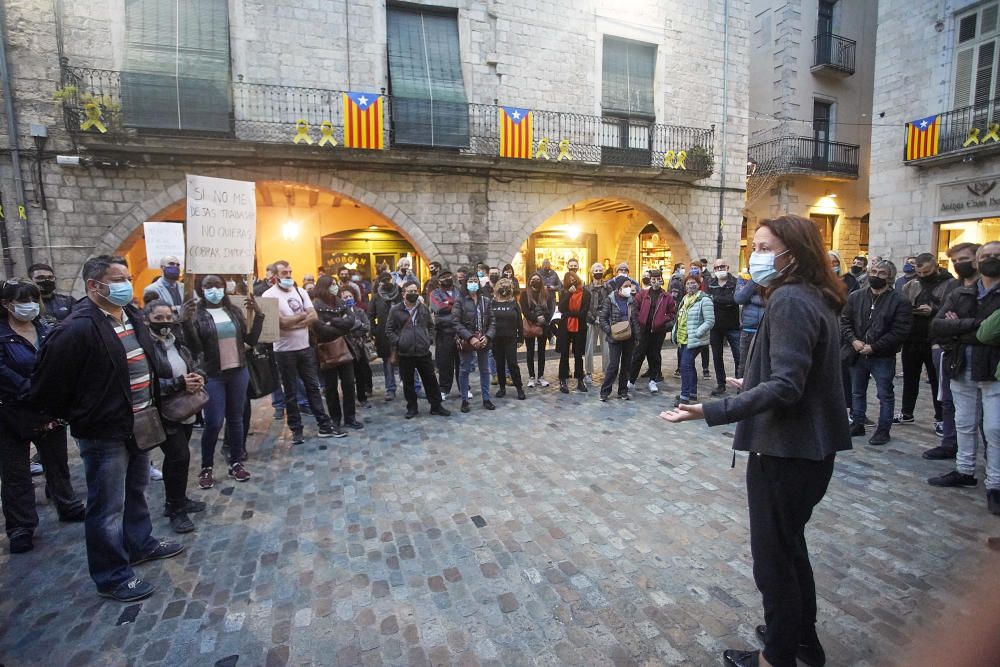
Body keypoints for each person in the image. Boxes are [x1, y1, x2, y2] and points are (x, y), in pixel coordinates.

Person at [661, 214, 852, 667]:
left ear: (794, 253)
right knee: (790, 548)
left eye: (765, 247)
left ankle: (777, 655)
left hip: (787, 452)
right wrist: (756, 378)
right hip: (808, 451)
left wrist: (712, 409)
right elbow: (795, 372)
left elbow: (788, 385)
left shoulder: (790, 299)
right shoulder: (812, 295)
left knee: (774, 562)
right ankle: (800, 639)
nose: (756, 256)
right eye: (756, 246)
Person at [30, 255, 183, 602]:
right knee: (107, 506)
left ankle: (139, 543)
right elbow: (48, 385)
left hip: (140, 422)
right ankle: (112, 575)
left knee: (137, 489)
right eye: (118, 279)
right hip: (104, 431)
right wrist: (83, 413)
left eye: (127, 278)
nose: (126, 284)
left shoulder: (131, 316)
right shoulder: (77, 328)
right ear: (94, 286)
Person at [0, 279, 85, 554]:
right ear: (6, 305)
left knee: (57, 463)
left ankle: (67, 504)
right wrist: (32, 389)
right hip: (11, 412)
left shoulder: (47, 330)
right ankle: (21, 526)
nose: (30, 306)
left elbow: (60, 362)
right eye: (22, 301)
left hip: (48, 408)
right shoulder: (2, 335)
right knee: (16, 472)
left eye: (33, 300)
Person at [928, 241, 1000, 516]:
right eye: (987, 256)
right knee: (964, 422)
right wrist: (976, 327)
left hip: (993, 370)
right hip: (961, 364)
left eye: (997, 256)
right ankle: (964, 469)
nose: (991, 260)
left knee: (995, 429)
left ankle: (995, 483)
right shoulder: (961, 292)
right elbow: (938, 326)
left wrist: (958, 326)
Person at [183, 274, 267, 487]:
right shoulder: (197, 315)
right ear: (201, 289)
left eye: (217, 285)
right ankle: (206, 467)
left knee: (236, 419)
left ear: (224, 287)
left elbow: (250, 340)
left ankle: (236, 463)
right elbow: (194, 348)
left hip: (238, 371)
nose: (214, 289)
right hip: (213, 375)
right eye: (208, 286)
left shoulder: (233, 311)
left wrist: (259, 315)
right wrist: (184, 322)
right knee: (214, 422)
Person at [145, 300, 206, 533]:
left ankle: (176, 500)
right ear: (147, 319)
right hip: (163, 411)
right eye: (158, 318)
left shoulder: (176, 341)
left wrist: (198, 376)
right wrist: (178, 383)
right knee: (178, 455)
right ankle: (176, 510)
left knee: (178, 459)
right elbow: (147, 382)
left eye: (168, 317)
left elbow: (193, 361)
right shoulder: (146, 347)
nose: (164, 322)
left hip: (185, 406)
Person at [262, 261, 338, 444]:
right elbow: (280, 323)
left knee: (313, 387)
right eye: (284, 273)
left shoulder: (301, 291)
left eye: (290, 271)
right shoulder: (268, 295)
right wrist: (301, 317)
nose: (288, 275)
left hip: (304, 348)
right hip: (284, 351)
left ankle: (324, 426)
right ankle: (296, 430)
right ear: (274, 276)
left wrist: (294, 321)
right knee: (291, 392)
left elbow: (313, 316)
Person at [841, 260, 912, 446]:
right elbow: (845, 321)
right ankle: (857, 422)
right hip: (857, 351)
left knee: (884, 394)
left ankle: (883, 429)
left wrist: (874, 347)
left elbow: (899, 331)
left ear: (889, 277)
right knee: (857, 391)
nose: (876, 275)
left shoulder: (900, 301)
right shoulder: (856, 296)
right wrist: (854, 341)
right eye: (874, 271)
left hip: (882, 355)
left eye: (881, 273)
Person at [924, 243, 981, 460]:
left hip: (981, 356)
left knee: (985, 413)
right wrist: (963, 327)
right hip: (950, 351)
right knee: (948, 401)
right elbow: (938, 324)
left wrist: (958, 325)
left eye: (963, 259)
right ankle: (950, 443)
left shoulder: (986, 289)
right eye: (955, 260)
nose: (958, 264)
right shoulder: (953, 287)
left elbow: (985, 327)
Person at [897, 253, 956, 426]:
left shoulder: (950, 284)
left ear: (935, 266)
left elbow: (952, 308)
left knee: (936, 381)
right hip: (913, 337)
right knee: (910, 378)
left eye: (926, 272)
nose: (922, 276)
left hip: (936, 339)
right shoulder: (912, 284)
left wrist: (933, 310)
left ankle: (940, 418)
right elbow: (902, 304)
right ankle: (906, 412)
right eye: (919, 272)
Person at [385, 282, 450, 419]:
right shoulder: (396, 310)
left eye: (415, 291)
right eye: (410, 291)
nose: (414, 293)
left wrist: (429, 339)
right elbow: (389, 329)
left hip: (422, 350)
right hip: (405, 352)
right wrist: (399, 341)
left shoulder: (423, 308)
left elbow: (431, 326)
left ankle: (436, 406)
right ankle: (412, 407)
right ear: (403, 293)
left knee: (430, 380)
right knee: (408, 382)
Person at [311, 276, 364, 431]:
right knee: (331, 387)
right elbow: (320, 329)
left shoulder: (339, 301)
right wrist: (341, 324)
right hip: (327, 350)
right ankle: (335, 419)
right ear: (323, 287)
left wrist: (334, 322)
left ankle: (350, 417)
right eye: (332, 284)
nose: (335, 287)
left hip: (345, 348)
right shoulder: (316, 305)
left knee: (348, 384)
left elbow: (351, 320)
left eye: (335, 284)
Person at [628, 269, 676, 393]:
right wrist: (639, 321)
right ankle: (631, 380)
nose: (655, 281)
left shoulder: (667, 296)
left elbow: (672, 313)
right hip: (643, 330)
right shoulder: (642, 294)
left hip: (658, 331)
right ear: (650, 280)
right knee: (638, 355)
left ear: (661, 280)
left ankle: (653, 380)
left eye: (658, 279)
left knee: (654, 356)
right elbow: (635, 308)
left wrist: (664, 321)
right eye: (653, 279)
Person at [671, 274, 715, 406]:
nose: (690, 286)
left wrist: (698, 333)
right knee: (689, 365)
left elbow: (710, 321)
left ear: (698, 284)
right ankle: (692, 393)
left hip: (694, 339)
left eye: (693, 283)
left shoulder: (704, 300)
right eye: (688, 283)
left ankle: (684, 397)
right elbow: (680, 317)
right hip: (683, 338)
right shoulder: (685, 298)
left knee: (685, 366)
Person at [455, 273, 496, 412]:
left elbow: (492, 322)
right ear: (466, 283)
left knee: (485, 370)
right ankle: (464, 400)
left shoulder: (486, 300)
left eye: (475, 281)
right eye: (470, 281)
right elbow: (456, 323)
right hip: (467, 341)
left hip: (483, 340)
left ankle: (486, 398)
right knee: (465, 369)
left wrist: (488, 336)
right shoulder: (460, 301)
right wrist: (470, 337)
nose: (473, 283)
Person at [598, 276, 640, 401]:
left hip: (629, 337)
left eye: (629, 286)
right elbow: (603, 318)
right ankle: (605, 391)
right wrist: (609, 330)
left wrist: (637, 336)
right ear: (619, 287)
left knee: (626, 365)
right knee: (614, 365)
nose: (629, 288)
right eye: (625, 286)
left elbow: (635, 320)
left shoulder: (632, 300)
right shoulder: (610, 300)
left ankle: (623, 391)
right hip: (615, 337)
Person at [708, 259, 742, 396]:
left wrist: (716, 299)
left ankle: (739, 383)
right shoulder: (711, 283)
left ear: (727, 267)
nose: (720, 269)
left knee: (738, 356)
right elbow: (708, 300)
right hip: (715, 326)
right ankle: (721, 384)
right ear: (714, 269)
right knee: (717, 356)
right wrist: (723, 301)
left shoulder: (735, 282)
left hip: (732, 325)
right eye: (717, 267)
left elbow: (734, 300)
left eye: (722, 266)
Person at [490, 278, 526, 400]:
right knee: (499, 364)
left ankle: (519, 388)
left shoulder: (514, 303)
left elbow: (519, 322)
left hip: (510, 338)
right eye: (501, 286)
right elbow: (489, 320)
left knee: (512, 364)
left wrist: (521, 337)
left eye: (506, 286)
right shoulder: (492, 303)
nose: (504, 288)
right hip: (496, 339)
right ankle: (502, 388)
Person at [557, 270, 590, 393]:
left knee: (578, 354)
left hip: (580, 326)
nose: (572, 281)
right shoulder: (564, 292)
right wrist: (568, 295)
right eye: (569, 280)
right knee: (564, 354)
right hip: (565, 327)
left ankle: (580, 380)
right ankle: (563, 380)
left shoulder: (586, 293)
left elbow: (583, 313)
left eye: (573, 279)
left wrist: (568, 314)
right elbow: (561, 308)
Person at [372, 271, 403, 400]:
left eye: (388, 279)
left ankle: (412, 386)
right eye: (383, 280)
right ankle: (390, 389)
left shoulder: (400, 293)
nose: (386, 282)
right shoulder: (376, 297)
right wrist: (374, 330)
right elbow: (370, 314)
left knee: (405, 361)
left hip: (401, 332)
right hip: (383, 335)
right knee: (387, 363)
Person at [430, 268, 460, 400]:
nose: (447, 279)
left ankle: (464, 388)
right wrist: (453, 304)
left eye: (448, 276)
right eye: (444, 277)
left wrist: (448, 303)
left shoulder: (459, 291)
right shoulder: (434, 293)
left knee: (462, 362)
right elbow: (438, 308)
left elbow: (462, 306)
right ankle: (444, 389)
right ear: (439, 280)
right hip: (443, 332)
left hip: (459, 331)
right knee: (444, 363)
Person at [520, 274, 554, 388]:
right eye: (533, 279)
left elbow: (550, 308)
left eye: (538, 279)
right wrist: (535, 319)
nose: (535, 281)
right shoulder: (524, 294)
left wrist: (544, 319)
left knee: (541, 352)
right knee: (530, 352)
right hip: (529, 325)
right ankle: (531, 377)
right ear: (529, 281)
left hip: (543, 326)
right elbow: (524, 310)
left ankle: (541, 376)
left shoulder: (545, 294)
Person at [734, 276, 764, 378]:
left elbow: (770, 299)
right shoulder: (744, 277)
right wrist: (754, 279)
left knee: (763, 363)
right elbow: (739, 298)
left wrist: (751, 297)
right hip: (748, 328)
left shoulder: (771, 275)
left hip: (765, 327)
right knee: (744, 364)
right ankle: (741, 391)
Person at [584, 262, 610, 382]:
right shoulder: (587, 288)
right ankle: (588, 372)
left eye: (600, 270)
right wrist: (593, 318)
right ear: (591, 272)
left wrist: (602, 318)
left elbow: (609, 304)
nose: (598, 272)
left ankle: (607, 371)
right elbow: (585, 306)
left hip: (604, 321)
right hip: (591, 321)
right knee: (589, 348)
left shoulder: (608, 287)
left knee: (607, 348)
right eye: (596, 270)